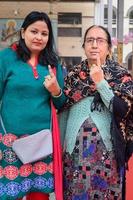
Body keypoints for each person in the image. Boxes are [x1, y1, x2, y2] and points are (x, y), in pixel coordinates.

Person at [59, 25, 133, 200]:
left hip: (109, 154)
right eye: (90, 40)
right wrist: (60, 149)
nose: (94, 45)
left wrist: (101, 83)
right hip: (73, 154)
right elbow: (63, 113)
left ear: (108, 48)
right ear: (84, 46)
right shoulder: (73, 76)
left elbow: (124, 111)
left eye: (100, 41)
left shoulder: (120, 75)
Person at [0, 11, 66, 200]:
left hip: (41, 144)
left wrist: (55, 90)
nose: (38, 37)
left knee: (39, 196)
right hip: (9, 144)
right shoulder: (5, 59)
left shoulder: (53, 63)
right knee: (9, 195)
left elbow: (60, 103)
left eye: (44, 34)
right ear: (23, 33)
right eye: (33, 31)